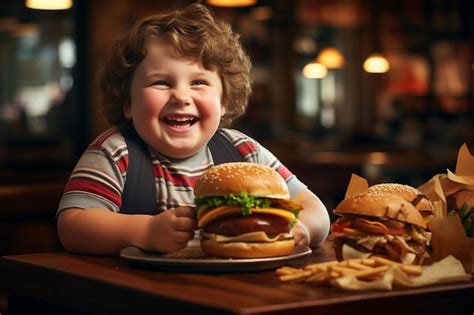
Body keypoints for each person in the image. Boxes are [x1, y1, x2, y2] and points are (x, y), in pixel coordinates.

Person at [57, 3, 330, 256]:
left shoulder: (244, 151)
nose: (181, 96)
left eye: (199, 82)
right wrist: (146, 232)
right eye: (161, 83)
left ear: (224, 101)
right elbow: (72, 226)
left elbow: (316, 210)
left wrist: (302, 228)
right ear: (127, 102)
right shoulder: (115, 152)